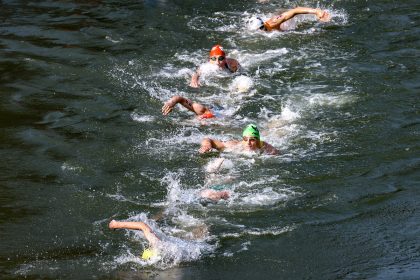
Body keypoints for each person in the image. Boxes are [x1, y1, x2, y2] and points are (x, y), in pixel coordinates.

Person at [199, 124, 279, 155]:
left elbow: (279, 155)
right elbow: (207, 139)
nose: (248, 143)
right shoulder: (234, 145)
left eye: (252, 140)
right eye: (245, 139)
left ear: (257, 141)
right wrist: (207, 146)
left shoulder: (264, 147)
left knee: (276, 131)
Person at [248, 6, 331, 32]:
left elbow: (295, 11)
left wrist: (316, 11)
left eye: (260, 29)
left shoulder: (274, 22)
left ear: (262, 27)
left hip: (285, 25)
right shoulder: (257, 30)